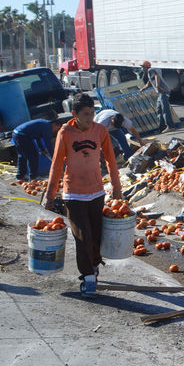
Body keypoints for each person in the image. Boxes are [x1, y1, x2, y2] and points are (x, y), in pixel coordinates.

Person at [43, 93, 122, 298]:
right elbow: (57, 164)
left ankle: (94, 266)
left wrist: (117, 187)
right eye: (85, 114)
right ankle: (87, 278)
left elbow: (111, 160)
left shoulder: (100, 130)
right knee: (82, 236)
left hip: (96, 192)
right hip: (73, 194)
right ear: (74, 114)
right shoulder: (65, 132)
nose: (90, 118)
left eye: (92, 113)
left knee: (96, 236)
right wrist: (50, 194)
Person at [12, 112, 61, 181]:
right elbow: (48, 144)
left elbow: (37, 138)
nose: (55, 131)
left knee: (22, 156)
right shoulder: (47, 127)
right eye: (56, 129)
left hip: (16, 133)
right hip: (22, 136)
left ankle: (20, 176)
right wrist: (54, 157)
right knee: (32, 155)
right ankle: (33, 176)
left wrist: (42, 149)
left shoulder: (44, 124)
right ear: (54, 124)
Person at [140, 61, 174, 132]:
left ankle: (170, 126)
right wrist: (143, 88)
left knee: (165, 109)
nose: (141, 69)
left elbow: (156, 76)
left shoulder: (151, 70)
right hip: (160, 93)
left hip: (163, 91)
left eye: (142, 67)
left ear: (146, 67)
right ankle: (162, 127)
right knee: (159, 109)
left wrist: (158, 86)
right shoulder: (149, 73)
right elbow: (149, 83)